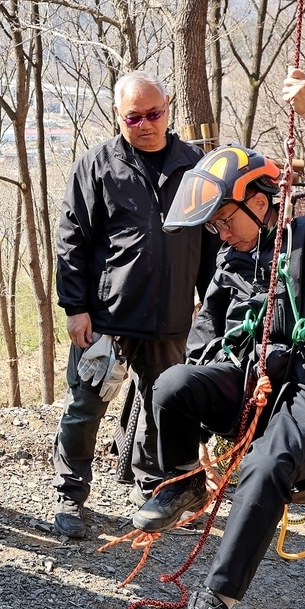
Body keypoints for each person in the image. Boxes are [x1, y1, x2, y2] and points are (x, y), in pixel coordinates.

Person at [132, 66, 305, 609]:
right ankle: (183, 481)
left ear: (260, 203)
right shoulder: (232, 263)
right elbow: (205, 341)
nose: (220, 233)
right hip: (248, 380)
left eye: (225, 220)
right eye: (213, 226)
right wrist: (215, 382)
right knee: (172, 384)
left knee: (265, 467)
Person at [50, 71, 216, 538]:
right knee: (85, 407)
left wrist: (213, 310)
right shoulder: (96, 166)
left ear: (169, 106)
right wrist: (75, 307)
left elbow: (212, 245)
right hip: (106, 316)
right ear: (117, 116)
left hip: (171, 318)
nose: (145, 124)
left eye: (153, 114)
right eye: (133, 117)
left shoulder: (195, 167)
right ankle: (69, 494)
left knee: (162, 408)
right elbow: (71, 241)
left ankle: (154, 493)